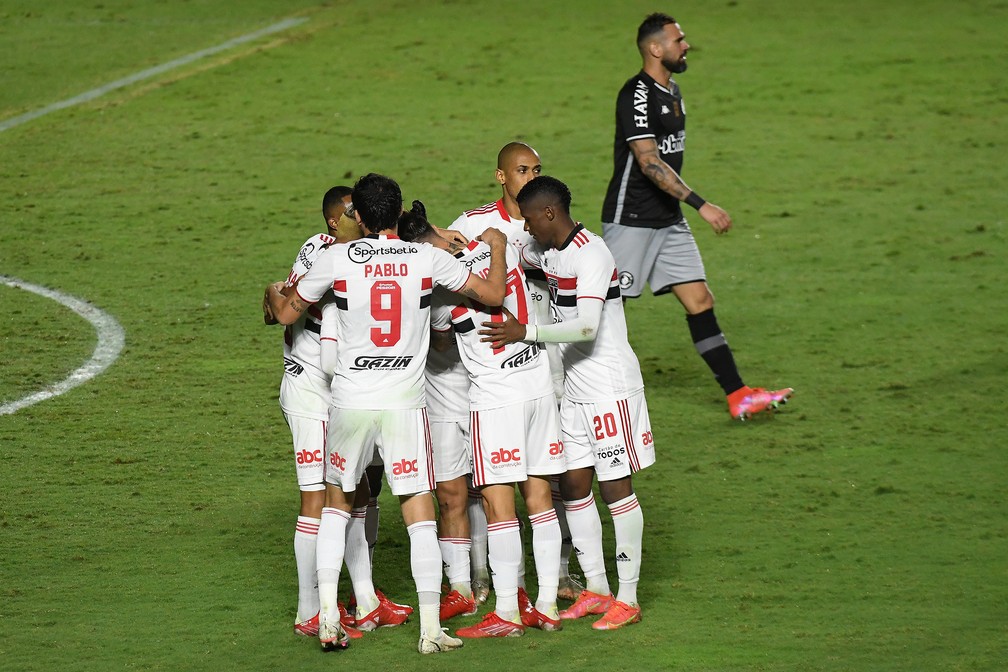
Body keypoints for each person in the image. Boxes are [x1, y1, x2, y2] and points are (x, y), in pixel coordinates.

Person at [265, 172, 509, 653]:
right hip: (404, 403)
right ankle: (430, 629)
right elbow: (494, 295)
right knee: (418, 513)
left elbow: (288, 313)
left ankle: (330, 620)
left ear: (356, 212)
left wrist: (273, 291)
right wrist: (497, 247)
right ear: (398, 212)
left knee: (337, 505)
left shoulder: (335, 258)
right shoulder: (428, 258)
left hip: (350, 401)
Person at [481, 176, 653, 631]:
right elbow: (512, 255)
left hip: (610, 387)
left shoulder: (592, 254)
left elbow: (587, 327)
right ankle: (596, 589)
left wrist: (527, 332)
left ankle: (628, 598)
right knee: (574, 485)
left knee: (616, 489)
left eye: (530, 218)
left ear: (551, 214)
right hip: (575, 389)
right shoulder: (548, 252)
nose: (527, 227)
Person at [600, 13, 792, 421]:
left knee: (700, 299)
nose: (686, 45)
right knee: (601, 307)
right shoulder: (637, 94)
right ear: (655, 48)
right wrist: (701, 203)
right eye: (678, 39)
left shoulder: (673, 90)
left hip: (667, 219)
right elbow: (649, 162)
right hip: (632, 218)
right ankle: (554, 383)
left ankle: (738, 394)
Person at [399, 202, 566, 638]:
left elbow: (438, 342)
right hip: (538, 385)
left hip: (496, 399)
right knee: (540, 499)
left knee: (497, 505)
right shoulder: (494, 243)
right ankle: (545, 604)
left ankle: (508, 611)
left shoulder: (437, 285)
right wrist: (489, 245)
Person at [448, 141, 583, 602]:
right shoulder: (473, 224)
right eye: (522, 169)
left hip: (548, 357)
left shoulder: (546, 215)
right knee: (490, 479)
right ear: (502, 176)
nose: (530, 176)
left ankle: (559, 574)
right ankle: (488, 577)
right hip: (493, 367)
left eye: (537, 169)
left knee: (551, 474)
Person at [266, 185, 372, 639]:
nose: (360, 216)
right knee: (317, 500)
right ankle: (308, 609)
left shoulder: (346, 252)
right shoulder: (325, 252)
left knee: (360, 491)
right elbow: (282, 308)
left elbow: (276, 301)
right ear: (335, 221)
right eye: (352, 212)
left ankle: (366, 599)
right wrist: (271, 298)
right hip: (311, 393)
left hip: (341, 393)